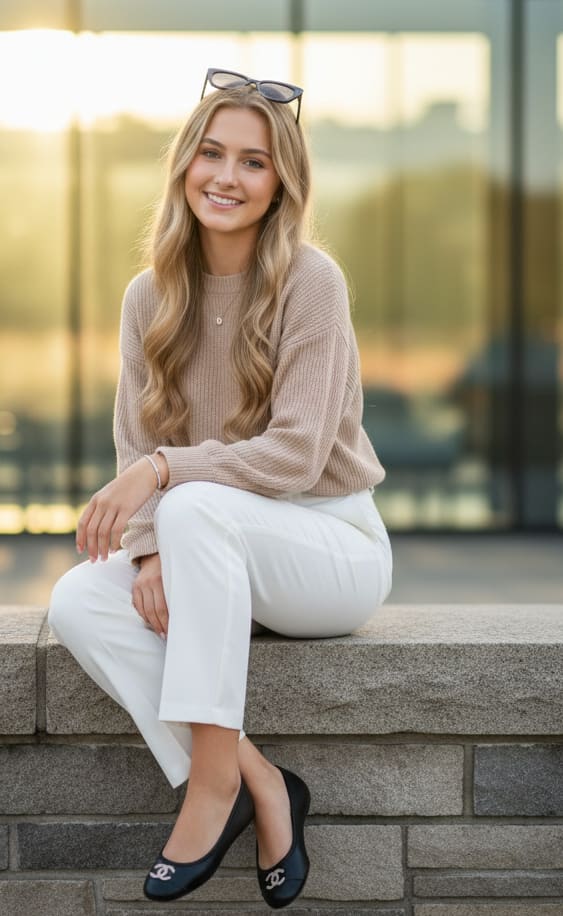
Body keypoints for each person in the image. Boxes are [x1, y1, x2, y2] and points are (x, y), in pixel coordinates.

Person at [48, 67, 392, 909]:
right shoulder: (148, 297)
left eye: (253, 162)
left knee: (195, 501)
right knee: (78, 600)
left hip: (327, 549)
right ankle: (258, 781)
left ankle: (208, 788)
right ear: (184, 165)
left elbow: (294, 457)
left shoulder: (311, 282)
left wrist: (165, 476)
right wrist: (150, 551)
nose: (226, 177)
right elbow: (136, 439)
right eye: (211, 154)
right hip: (208, 543)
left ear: (281, 185)